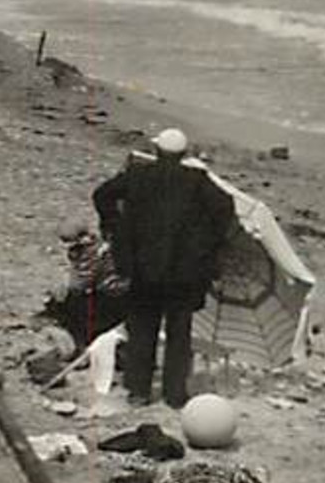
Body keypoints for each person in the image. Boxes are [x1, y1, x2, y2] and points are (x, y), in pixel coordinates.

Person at [92, 128, 239, 409]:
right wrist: (206, 243)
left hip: (143, 267)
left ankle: (139, 390)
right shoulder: (197, 181)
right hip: (185, 271)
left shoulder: (139, 175)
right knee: (179, 333)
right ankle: (174, 394)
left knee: (143, 328)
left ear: (157, 150)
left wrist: (113, 227)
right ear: (184, 154)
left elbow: (102, 195)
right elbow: (225, 208)